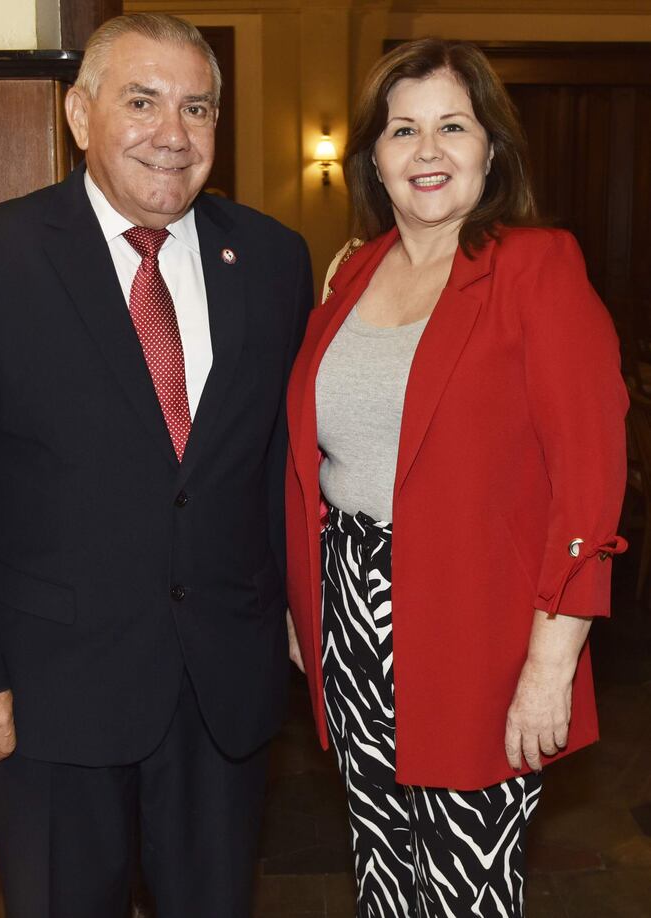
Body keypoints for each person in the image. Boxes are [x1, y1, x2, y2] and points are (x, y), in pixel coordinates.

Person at [0, 13, 312, 918]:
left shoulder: (274, 258)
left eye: (197, 107)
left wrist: (296, 619)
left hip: (222, 693)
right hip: (49, 697)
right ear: (80, 116)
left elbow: (281, 462)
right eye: (142, 100)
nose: (173, 132)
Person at [284, 38, 627, 917]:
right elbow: (318, 460)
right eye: (403, 130)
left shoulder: (536, 266)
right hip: (352, 622)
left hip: (483, 632)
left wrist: (552, 665)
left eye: (451, 126)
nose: (426, 151)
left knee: (465, 891)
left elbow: (590, 475)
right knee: (382, 878)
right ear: (374, 156)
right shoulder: (351, 272)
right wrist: (304, 607)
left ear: (491, 149)